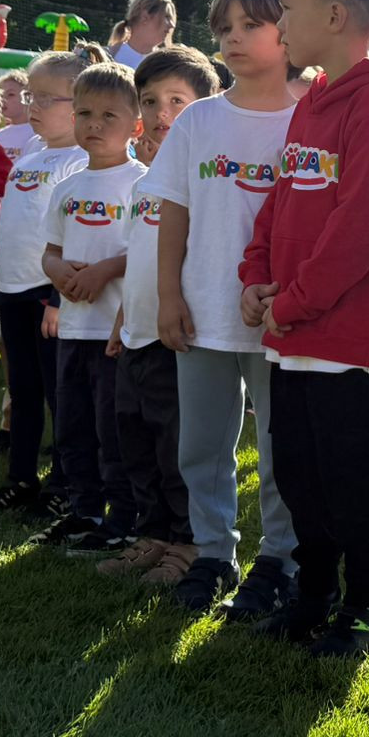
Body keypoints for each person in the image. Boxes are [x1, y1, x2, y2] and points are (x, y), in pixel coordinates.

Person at [239, 0, 369, 659]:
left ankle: (365, 607)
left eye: (286, 8)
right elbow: (279, 204)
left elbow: (360, 229)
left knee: (351, 482)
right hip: (294, 332)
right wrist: (256, 276)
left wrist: (296, 301)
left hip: (344, 339)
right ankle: (313, 594)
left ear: (336, 16)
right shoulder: (312, 103)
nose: (278, 24)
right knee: (298, 474)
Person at [141, 0, 301, 615]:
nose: (233, 38)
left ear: (289, 28)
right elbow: (171, 213)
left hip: (280, 317)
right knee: (202, 446)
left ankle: (280, 560)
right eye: (223, 29)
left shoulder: (311, 116)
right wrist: (167, 298)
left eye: (250, 25)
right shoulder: (199, 120)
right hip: (201, 309)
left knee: (280, 450)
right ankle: (213, 554)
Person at [96, 47, 216, 575]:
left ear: (206, 108)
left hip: (179, 337)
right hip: (137, 336)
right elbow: (141, 259)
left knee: (177, 447)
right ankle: (152, 534)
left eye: (178, 101)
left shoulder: (206, 178)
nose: (163, 113)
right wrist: (124, 319)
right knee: (137, 442)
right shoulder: (146, 182)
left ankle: (189, 542)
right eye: (151, 101)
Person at [32, 62, 143, 546]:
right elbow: (50, 252)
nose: (94, 125)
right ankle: (83, 512)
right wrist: (57, 273)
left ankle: (122, 517)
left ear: (135, 126)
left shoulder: (142, 183)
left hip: (115, 333)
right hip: (73, 330)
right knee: (73, 426)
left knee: (112, 429)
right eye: (84, 114)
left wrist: (105, 272)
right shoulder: (67, 187)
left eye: (108, 116)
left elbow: (147, 252)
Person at [0, 49, 91, 516]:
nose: (34, 106)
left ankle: (66, 483)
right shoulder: (31, 151)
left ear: (80, 102)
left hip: (50, 298)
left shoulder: (81, 159)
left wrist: (57, 297)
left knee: (61, 396)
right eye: (31, 95)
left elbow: (78, 236)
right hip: (14, 292)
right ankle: (20, 478)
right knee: (22, 391)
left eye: (48, 97)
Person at [111, 0, 177, 70]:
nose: (172, 25)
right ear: (144, 17)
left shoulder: (167, 64)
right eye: (167, 17)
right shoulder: (108, 56)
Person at [0, 71, 35, 159]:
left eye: (10, 94)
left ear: (27, 97)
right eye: (0, 95)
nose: (3, 100)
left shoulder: (37, 133)